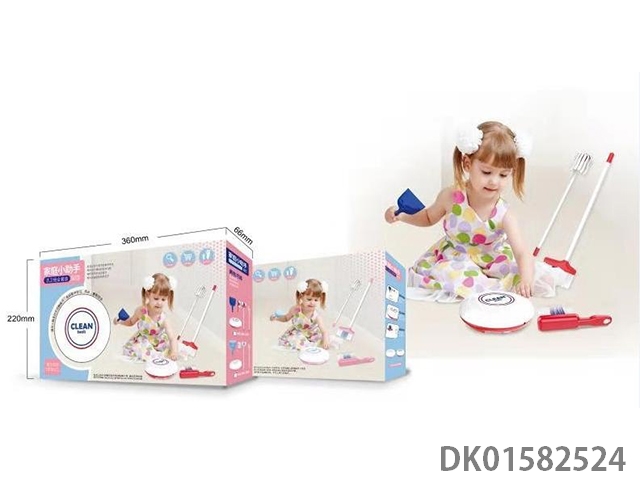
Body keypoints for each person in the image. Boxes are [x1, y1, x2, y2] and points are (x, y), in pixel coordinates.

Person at [385, 121, 534, 302]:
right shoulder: (451, 197)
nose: (494, 181)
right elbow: (428, 217)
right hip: (456, 257)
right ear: (467, 164)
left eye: (503, 175)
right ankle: (475, 285)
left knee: (515, 271)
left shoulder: (504, 214)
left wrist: (526, 280)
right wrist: (402, 216)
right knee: (450, 274)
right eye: (486, 172)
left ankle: (484, 285)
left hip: (492, 260)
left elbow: (521, 252)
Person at [114, 273, 180, 361]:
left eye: (163, 299)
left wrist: (174, 352)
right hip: (143, 340)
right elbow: (130, 322)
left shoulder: (164, 318)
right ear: (148, 294)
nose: (159, 303)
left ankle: (155, 354)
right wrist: (120, 322)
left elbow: (172, 337)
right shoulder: (141, 311)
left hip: (158, 342)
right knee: (133, 349)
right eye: (156, 298)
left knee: (167, 349)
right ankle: (149, 354)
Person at [271, 278, 331, 349]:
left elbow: (324, 331)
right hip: (297, 333)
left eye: (316, 300)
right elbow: (286, 318)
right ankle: (302, 345)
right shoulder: (295, 309)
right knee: (295, 339)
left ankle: (308, 345)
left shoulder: (316, 316)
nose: (312, 303)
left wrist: (325, 340)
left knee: (319, 340)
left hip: (311, 335)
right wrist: (277, 318)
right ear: (301, 297)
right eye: (309, 299)